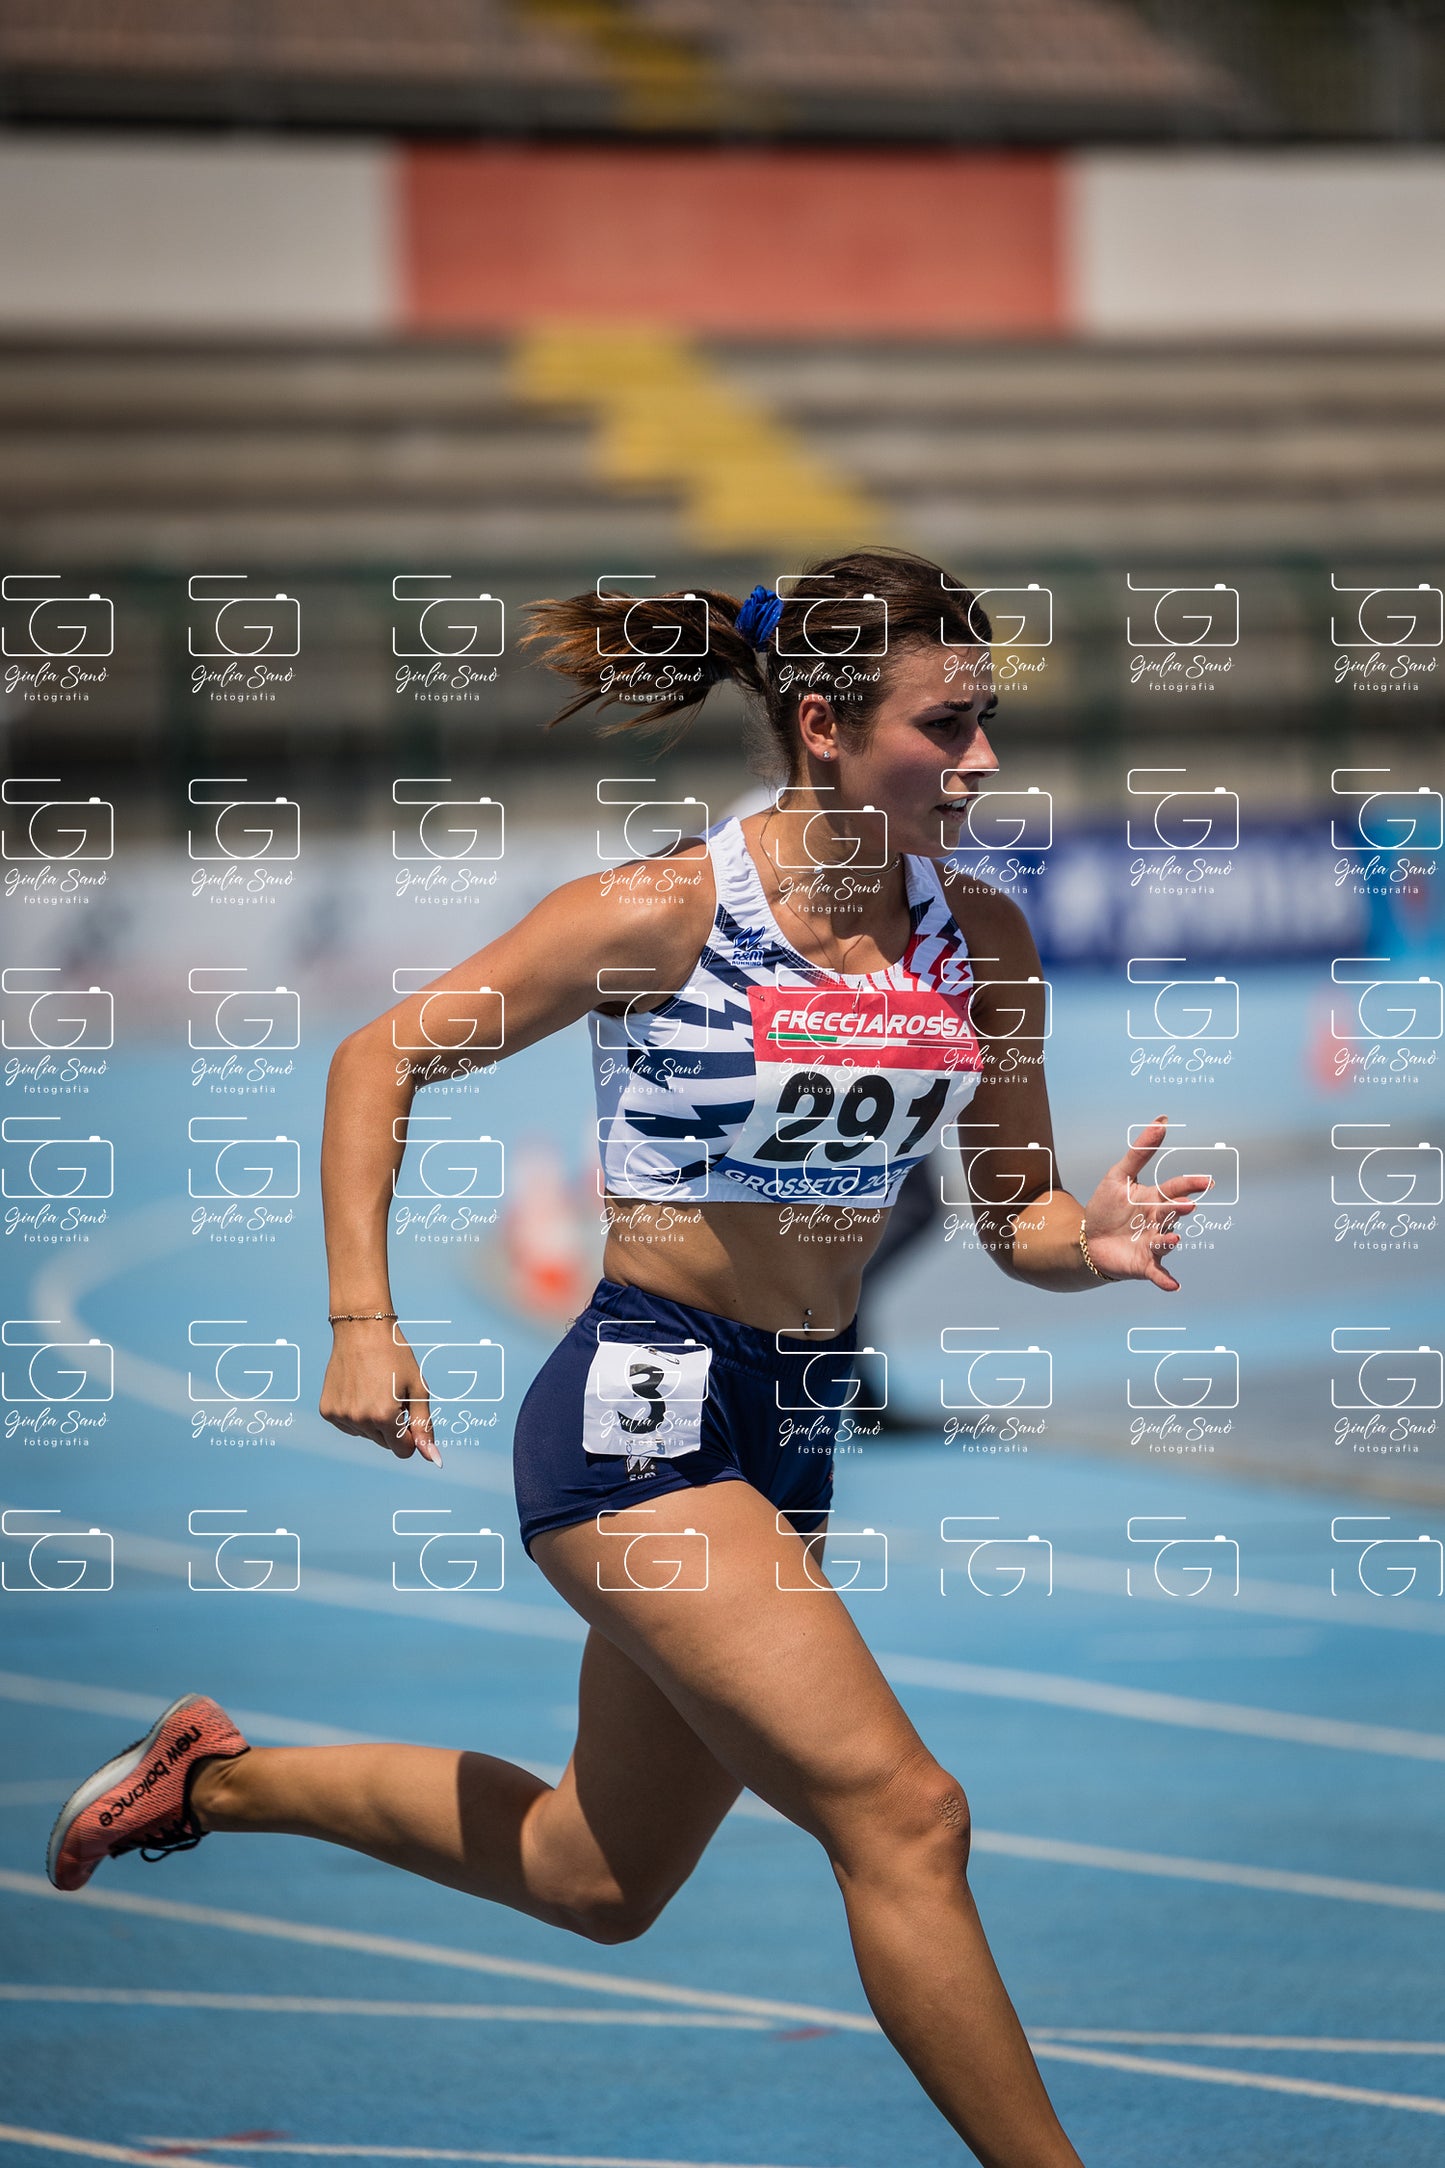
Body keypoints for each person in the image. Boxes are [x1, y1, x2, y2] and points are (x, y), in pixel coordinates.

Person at [49, 549, 1209, 2168]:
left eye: (986, 720)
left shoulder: (983, 941)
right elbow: (379, 1058)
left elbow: (1015, 1208)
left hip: (789, 1425)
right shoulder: (664, 912)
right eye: (944, 726)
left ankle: (213, 1784)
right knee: (905, 1815)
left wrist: (1091, 1240)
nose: (982, 760)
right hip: (639, 1411)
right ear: (823, 726)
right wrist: (362, 1322)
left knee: (594, 1877)